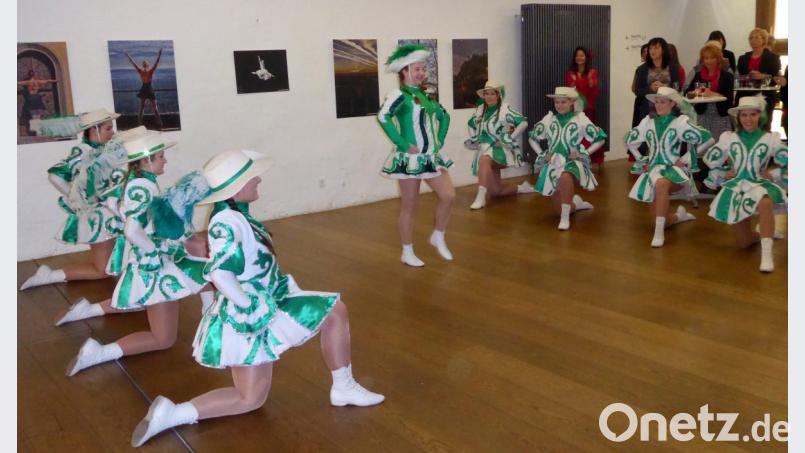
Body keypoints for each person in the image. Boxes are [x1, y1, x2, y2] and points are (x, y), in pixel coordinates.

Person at [130, 149, 384, 447]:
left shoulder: (234, 215)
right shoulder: (228, 221)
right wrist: (248, 304)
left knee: (335, 312)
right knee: (249, 399)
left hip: (269, 297)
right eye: (253, 177)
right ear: (238, 187)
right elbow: (220, 273)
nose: (259, 180)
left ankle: (343, 387)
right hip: (251, 311)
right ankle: (173, 414)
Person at [65, 131, 213, 376]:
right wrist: (151, 249)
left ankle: (210, 321)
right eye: (161, 157)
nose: (165, 161)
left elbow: (115, 207)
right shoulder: (143, 185)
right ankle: (98, 353)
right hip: (153, 265)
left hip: (155, 259)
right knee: (162, 338)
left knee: (201, 273)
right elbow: (132, 229)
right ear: (146, 160)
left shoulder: (137, 179)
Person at [20, 109, 131, 290]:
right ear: (94, 130)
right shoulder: (84, 151)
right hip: (98, 216)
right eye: (108, 129)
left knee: (111, 264)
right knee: (101, 269)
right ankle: (48, 277)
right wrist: (78, 199)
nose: (113, 133)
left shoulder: (101, 150)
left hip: (109, 211)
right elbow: (55, 176)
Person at [376, 44, 455, 267]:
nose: (421, 73)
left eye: (423, 69)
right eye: (417, 69)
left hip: (431, 156)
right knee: (409, 205)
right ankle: (407, 251)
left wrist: (439, 139)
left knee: (448, 195)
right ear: (404, 71)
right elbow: (383, 117)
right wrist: (402, 142)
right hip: (409, 159)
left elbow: (444, 116)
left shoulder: (426, 95)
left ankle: (438, 235)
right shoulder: (398, 95)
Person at [702, 95, 787, 272]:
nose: (748, 119)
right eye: (744, 115)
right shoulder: (729, 138)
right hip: (737, 187)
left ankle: (767, 255)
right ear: (738, 117)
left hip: (760, 184)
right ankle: (765, 231)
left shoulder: (770, 138)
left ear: (760, 116)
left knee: (765, 202)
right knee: (743, 243)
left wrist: (774, 174)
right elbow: (711, 159)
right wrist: (724, 172)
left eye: (753, 115)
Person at [626, 87, 714, 247]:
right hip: (652, 171)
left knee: (661, 184)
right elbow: (630, 142)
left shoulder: (679, 123)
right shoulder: (648, 123)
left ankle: (659, 235)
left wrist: (686, 158)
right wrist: (641, 160)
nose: (658, 105)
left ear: (672, 103)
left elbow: (708, 139)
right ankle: (678, 217)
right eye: (657, 102)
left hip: (673, 171)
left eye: (663, 102)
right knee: (658, 220)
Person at [528, 87, 607, 230]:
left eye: (563, 102)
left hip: (572, 162)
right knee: (560, 210)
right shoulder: (549, 119)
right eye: (557, 102)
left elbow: (600, 139)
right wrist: (543, 154)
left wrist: (582, 153)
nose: (559, 105)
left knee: (565, 177)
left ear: (572, 102)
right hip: (553, 164)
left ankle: (565, 219)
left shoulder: (580, 119)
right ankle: (576, 204)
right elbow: (532, 138)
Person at [465, 80, 531, 210]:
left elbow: (523, 123)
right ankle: (522, 188)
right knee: (496, 192)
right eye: (486, 94)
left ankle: (480, 197)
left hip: (501, 151)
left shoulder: (504, 110)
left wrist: (508, 139)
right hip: (485, 149)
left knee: (484, 160)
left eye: (492, 94)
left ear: (498, 95)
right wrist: (475, 139)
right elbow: (470, 124)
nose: (489, 97)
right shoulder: (480, 110)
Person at [565, 46, 606, 164]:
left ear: (586, 58)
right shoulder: (571, 73)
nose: (579, 57)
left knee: (589, 134)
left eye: (582, 55)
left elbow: (595, 92)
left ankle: (590, 159)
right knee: (576, 134)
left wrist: (592, 83)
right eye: (577, 55)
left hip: (589, 108)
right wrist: (573, 82)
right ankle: (576, 159)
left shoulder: (593, 72)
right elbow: (569, 92)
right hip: (575, 109)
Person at [736, 28, 781, 121]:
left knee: (764, 125)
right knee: (744, 125)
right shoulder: (742, 58)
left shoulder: (773, 58)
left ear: (763, 40)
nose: (753, 40)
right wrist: (747, 77)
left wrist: (764, 76)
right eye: (751, 38)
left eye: (757, 37)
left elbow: (776, 80)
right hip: (745, 97)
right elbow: (739, 77)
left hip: (765, 97)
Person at [125, 48, 164, 129]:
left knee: (142, 107)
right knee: (154, 108)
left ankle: (140, 123)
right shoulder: (150, 71)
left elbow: (134, 63)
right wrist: (160, 54)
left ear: (143, 66)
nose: (145, 67)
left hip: (144, 89)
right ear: (147, 65)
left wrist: (128, 56)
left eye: (144, 65)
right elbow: (156, 63)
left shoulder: (141, 72)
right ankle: (159, 123)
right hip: (149, 89)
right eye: (146, 65)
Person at [17, 69, 58, 136]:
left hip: (34, 99)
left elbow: (47, 81)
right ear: (33, 74)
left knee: (36, 116)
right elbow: (47, 81)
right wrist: (55, 80)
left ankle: (37, 131)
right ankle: (36, 131)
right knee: (35, 116)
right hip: (33, 99)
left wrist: (55, 80)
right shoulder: (32, 82)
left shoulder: (30, 82)